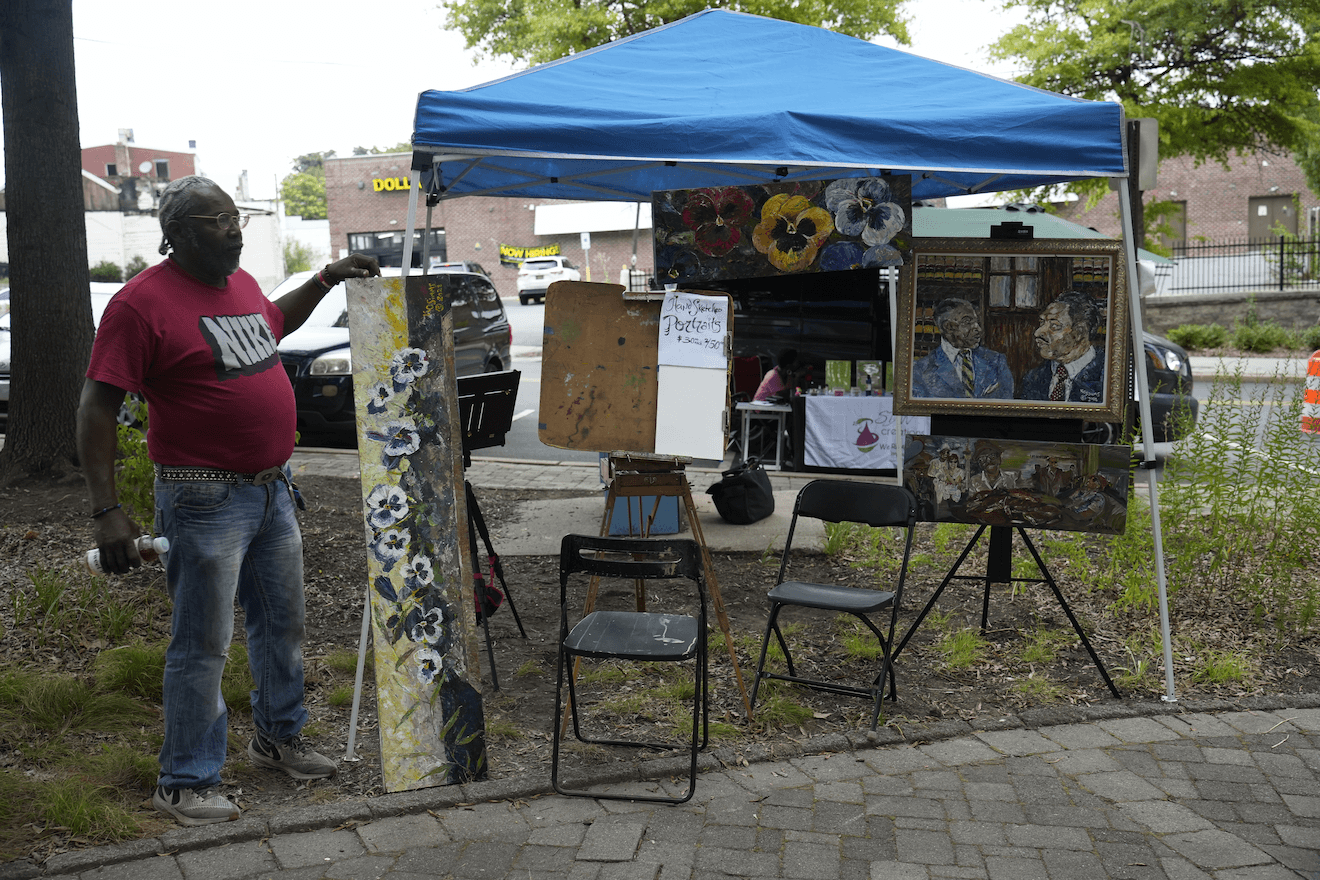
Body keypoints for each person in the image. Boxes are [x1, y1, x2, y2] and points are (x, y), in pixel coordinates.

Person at [76, 176, 381, 827]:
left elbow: (274, 320)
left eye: (236, 218)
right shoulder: (139, 305)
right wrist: (106, 510)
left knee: (282, 625)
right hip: (202, 500)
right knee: (203, 642)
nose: (235, 230)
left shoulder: (236, 285)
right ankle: (185, 778)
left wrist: (326, 277)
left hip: (271, 490)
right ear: (178, 233)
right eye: (217, 221)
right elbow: (97, 406)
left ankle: (279, 735)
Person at [910, 298, 1014, 399]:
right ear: (948, 327)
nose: (978, 328)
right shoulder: (921, 371)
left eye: (976, 322)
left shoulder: (996, 361)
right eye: (967, 322)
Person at [1020, 290, 1105, 403]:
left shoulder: (1107, 375)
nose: (1038, 332)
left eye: (1054, 326)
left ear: (1079, 333)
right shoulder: (1033, 378)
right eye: (1041, 323)